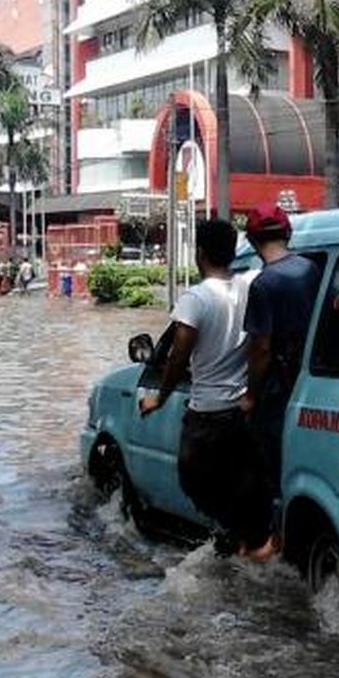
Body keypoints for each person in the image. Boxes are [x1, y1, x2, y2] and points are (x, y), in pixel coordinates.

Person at [139, 219, 277, 561]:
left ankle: (241, 538)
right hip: (243, 412)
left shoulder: (195, 299)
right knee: (239, 485)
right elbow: (262, 343)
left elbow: (178, 355)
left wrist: (160, 397)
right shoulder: (248, 286)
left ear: (199, 253)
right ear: (232, 253)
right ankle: (248, 541)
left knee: (193, 481)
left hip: (207, 415)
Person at [240, 202, 322, 493]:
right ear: (287, 233)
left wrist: (250, 396)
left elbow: (261, 349)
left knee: (270, 468)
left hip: (277, 390)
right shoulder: (310, 269)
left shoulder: (263, 284)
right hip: (311, 380)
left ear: (250, 241)